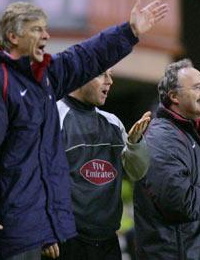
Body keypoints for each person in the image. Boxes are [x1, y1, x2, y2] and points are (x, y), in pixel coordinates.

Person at [0, 0, 168, 260]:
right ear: (13, 37)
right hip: (7, 230)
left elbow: (85, 57)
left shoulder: (42, 77)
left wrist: (129, 31)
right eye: (36, 30)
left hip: (37, 229)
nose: (46, 35)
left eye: (45, 28)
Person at [55, 69, 150, 260]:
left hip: (108, 242)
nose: (110, 81)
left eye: (111, 74)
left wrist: (134, 144)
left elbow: (137, 172)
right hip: (66, 241)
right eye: (103, 74)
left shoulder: (113, 123)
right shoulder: (54, 117)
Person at [133, 59, 200, 259]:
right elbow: (182, 204)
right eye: (198, 87)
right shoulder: (161, 138)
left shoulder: (196, 132)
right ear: (174, 96)